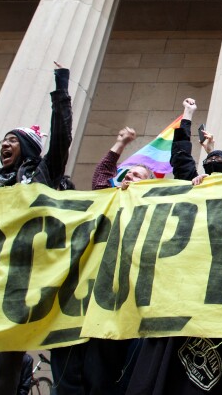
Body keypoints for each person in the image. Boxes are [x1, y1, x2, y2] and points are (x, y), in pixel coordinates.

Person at [126, 98, 222, 395]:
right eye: (208, 168)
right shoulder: (191, 190)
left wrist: (212, 154)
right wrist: (187, 118)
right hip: (187, 297)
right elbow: (182, 158)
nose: (210, 174)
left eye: (218, 171)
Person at [0, 62, 73, 395]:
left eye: (12, 140)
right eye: (3, 140)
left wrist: (61, 87)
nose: (4, 144)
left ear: (26, 148)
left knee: (8, 362)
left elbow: (60, 139)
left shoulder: (42, 175)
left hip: (21, 276)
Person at [50, 127, 148, 395]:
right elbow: (102, 175)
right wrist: (120, 143)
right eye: (127, 173)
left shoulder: (151, 209)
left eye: (138, 175)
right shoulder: (105, 198)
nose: (129, 176)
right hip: (80, 299)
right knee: (67, 373)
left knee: (101, 375)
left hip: (116, 303)